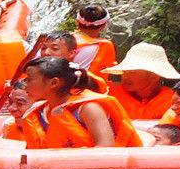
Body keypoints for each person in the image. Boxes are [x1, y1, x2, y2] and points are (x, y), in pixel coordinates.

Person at [12, 56, 140, 148]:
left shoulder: (88, 108)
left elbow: (105, 147)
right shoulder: (38, 111)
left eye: (29, 79)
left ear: (54, 83)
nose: (25, 84)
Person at [105, 43, 180, 121]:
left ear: (154, 76)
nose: (125, 76)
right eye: (124, 71)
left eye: (132, 72)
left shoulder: (173, 100)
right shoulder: (109, 94)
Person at [34, 30, 109, 92]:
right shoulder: (35, 72)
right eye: (43, 48)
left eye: (55, 49)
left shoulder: (81, 79)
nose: (46, 53)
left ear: (72, 53)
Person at [72, 5, 118, 76]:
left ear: (77, 22)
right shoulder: (106, 45)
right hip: (92, 85)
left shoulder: (62, 40)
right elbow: (111, 69)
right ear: (104, 25)